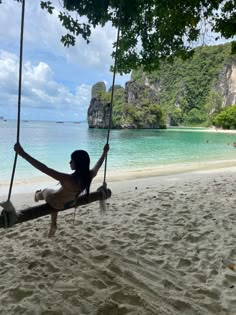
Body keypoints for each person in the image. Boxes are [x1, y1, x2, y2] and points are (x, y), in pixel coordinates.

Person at [14, 142, 109, 237]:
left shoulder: (68, 179)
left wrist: (22, 153)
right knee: (58, 195)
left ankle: (37, 195)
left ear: (78, 163)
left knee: (45, 191)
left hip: (55, 202)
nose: (69, 162)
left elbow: (44, 168)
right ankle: (53, 224)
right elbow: (98, 164)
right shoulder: (89, 176)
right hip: (70, 202)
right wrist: (104, 153)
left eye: (72, 160)